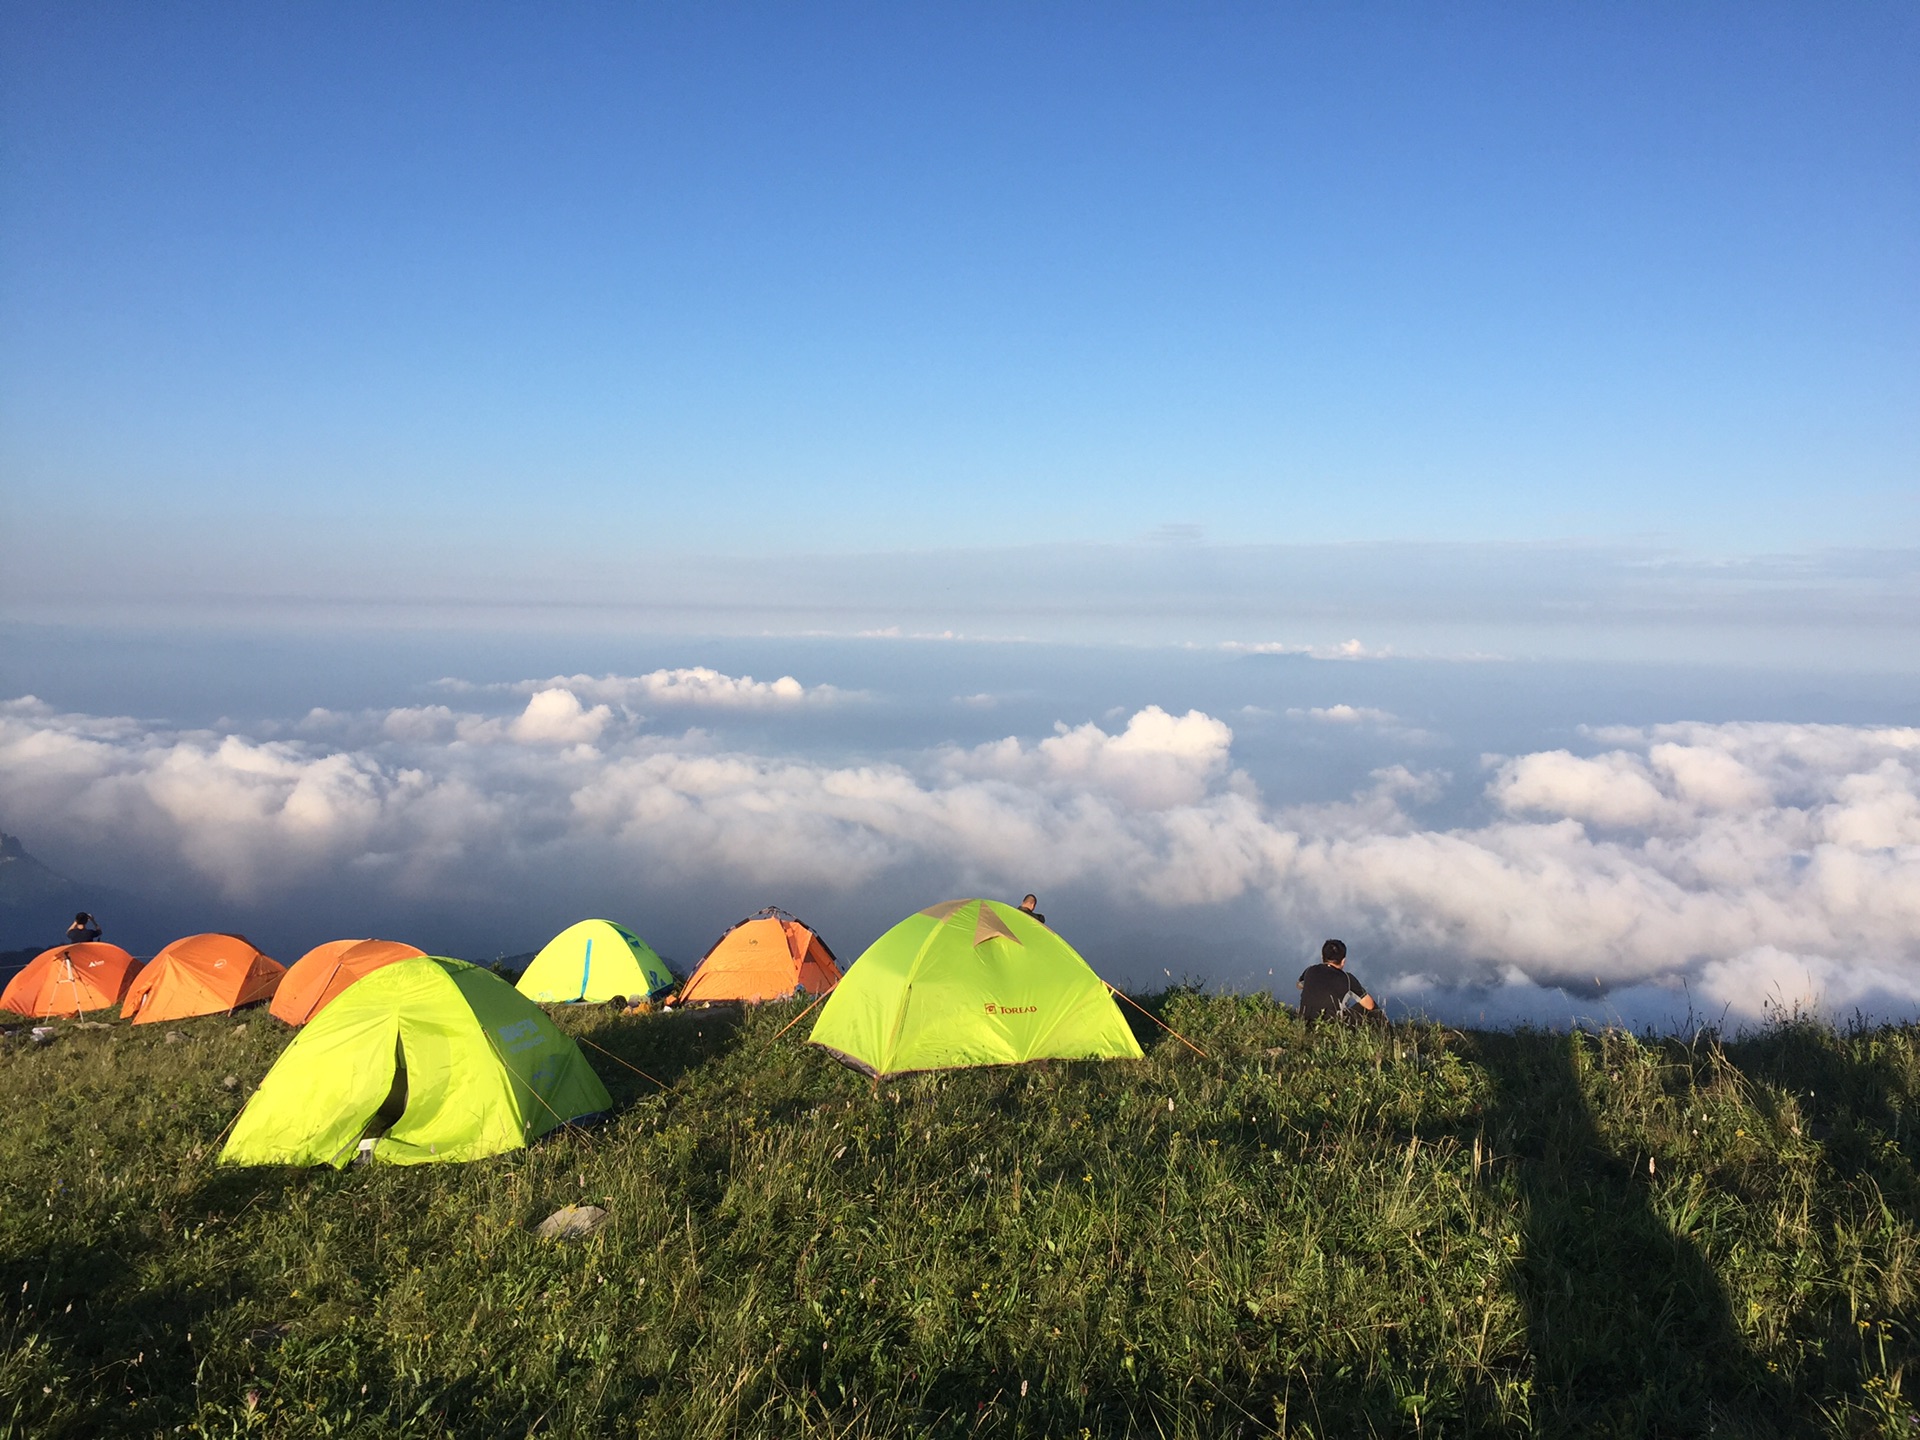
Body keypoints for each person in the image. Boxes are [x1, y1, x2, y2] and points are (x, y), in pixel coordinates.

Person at [1297, 939, 1380, 1025]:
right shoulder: (1348, 979)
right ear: (1343, 961)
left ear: (1322, 957)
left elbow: (1299, 985)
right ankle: (1389, 1035)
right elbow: (1369, 1005)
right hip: (1331, 1028)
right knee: (1372, 1008)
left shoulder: (1310, 970)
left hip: (1304, 1024)